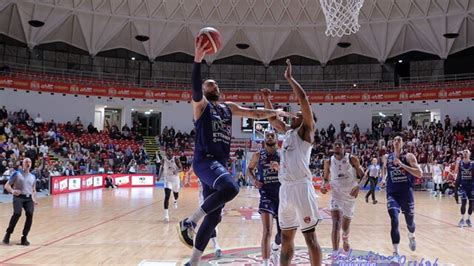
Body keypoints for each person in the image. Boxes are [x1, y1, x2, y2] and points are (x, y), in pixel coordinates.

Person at [177, 36, 294, 266]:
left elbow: (254, 114)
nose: (214, 85)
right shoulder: (202, 106)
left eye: (215, 84)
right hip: (205, 161)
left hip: (218, 164)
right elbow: (194, 89)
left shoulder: (228, 108)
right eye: (209, 83)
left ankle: (193, 262)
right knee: (231, 187)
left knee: (215, 216)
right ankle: (190, 222)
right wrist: (198, 61)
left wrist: (275, 113)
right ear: (203, 89)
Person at [261, 59, 322, 266]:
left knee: (310, 238)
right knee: (286, 238)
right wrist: (266, 100)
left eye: (299, 113)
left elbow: (303, 99)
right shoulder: (287, 132)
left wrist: (289, 78)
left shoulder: (306, 133)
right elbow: (271, 118)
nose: (295, 113)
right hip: (285, 189)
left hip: (301, 188)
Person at [321, 140, 366, 258]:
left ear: (344, 148)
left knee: (345, 227)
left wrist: (358, 187)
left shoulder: (352, 159)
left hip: (350, 196)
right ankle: (335, 253)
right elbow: (325, 178)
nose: (337, 146)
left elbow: (364, 176)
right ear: (332, 148)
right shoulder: (328, 162)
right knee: (336, 223)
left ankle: (345, 237)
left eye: (339, 145)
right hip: (336, 195)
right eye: (335, 145)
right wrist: (323, 186)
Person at [381, 135, 422, 258]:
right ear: (392, 143)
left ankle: (411, 235)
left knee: (410, 222)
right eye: (395, 140)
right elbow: (385, 170)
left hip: (406, 194)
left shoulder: (409, 157)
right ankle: (396, 251)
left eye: (399, 140)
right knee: (394, 219)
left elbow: (419, 174)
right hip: (392, 193)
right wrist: (383, 178)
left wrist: (402, 165)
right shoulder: (387, 157)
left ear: (403, 143)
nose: (397, 141)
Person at [247, 131, 282, 265]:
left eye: (273, 135)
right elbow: (249, 170)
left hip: (281, 195)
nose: (270, 136)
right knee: (267, 230)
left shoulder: (282, 155)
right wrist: (253, 180)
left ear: (277, 138)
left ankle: (275, 248)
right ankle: (266, 263)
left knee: (282, 235)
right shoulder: (258, 155)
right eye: (267, 135)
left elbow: (289, 172)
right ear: (264, 139)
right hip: (266, 194)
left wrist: (279, 168)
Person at [185, 166, 222, 258]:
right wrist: (187, 181)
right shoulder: (199, 161)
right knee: (210, 219)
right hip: (203, 196)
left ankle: (211, 245)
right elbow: (189, 172)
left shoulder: (215, 163)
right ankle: (215, 246)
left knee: (215, 220)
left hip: (216, 194)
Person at [2, 158, 38, 246]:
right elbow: (7, 185)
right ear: (23, 164)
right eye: (26, 162)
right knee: (17, 213)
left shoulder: (33, 176)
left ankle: (24, 237)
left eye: (29, 162)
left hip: (28, 198)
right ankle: (8, 234)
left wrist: (34, 198)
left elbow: (33, 189)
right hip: (18, 197)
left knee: (30, 214)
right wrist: (13, 191)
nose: (28, 163)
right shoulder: (17, 174)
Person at [159, 147, 182, 222]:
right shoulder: (163, 159)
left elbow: (181, 168)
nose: (169, 151)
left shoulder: (176, 159)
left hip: (175, 179)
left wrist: (177, 171)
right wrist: (159, 176)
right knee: (167, 196)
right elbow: (161, 168)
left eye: (170, 150)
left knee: (176, 194)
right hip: (167, 179)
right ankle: (166, 216)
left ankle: (175, 200)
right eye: (168, 150)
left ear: (172, 152)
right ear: (166, 152)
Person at [455, 149, 473, 228]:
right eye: (464, 153)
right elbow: (458, 176)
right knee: (464, 202)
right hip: (463, 186)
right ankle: (462, 219)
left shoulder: (473, 164)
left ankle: (468, 219)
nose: (465, 154)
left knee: (472, 205)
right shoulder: (460, 164)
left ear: (469, 154)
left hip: (472, 186)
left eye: (467, 152)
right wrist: (455, 189)